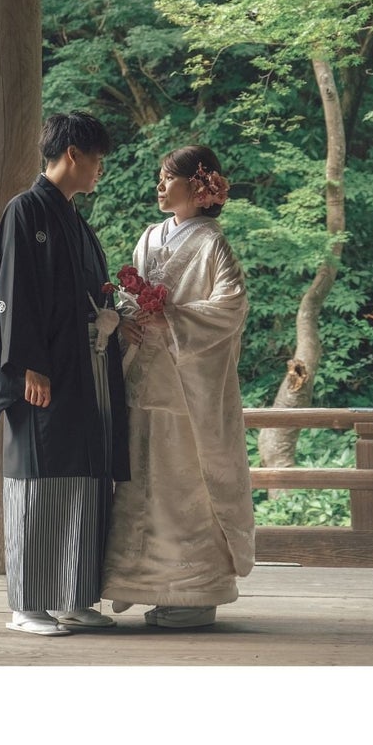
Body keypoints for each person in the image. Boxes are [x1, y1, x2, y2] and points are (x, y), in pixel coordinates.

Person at [101, 145, 254, 628]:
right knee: (141, 481)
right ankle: (145, 584)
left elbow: (231, 308)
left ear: (200, 186)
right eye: (160, 179)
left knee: (185, 485)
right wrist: (131, 312)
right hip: (146, 376)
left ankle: (194, 592)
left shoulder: (213, 244)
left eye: (169, 179)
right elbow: (129, 300)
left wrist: (171, 317)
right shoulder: (148, 238)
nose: (160, 187)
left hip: (189, 388)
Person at [0, 111, 129, 636]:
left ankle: (73, 596)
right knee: (39, 481)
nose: (99, 171)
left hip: (84, 367)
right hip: (43, 372)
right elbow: (13, 292)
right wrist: (28, 364)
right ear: (73, 154)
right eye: (97, 160)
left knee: (83, 479)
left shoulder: (75, 220)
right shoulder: (25, 212)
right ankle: (27, 605)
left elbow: (95, 296)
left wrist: (120, 320)